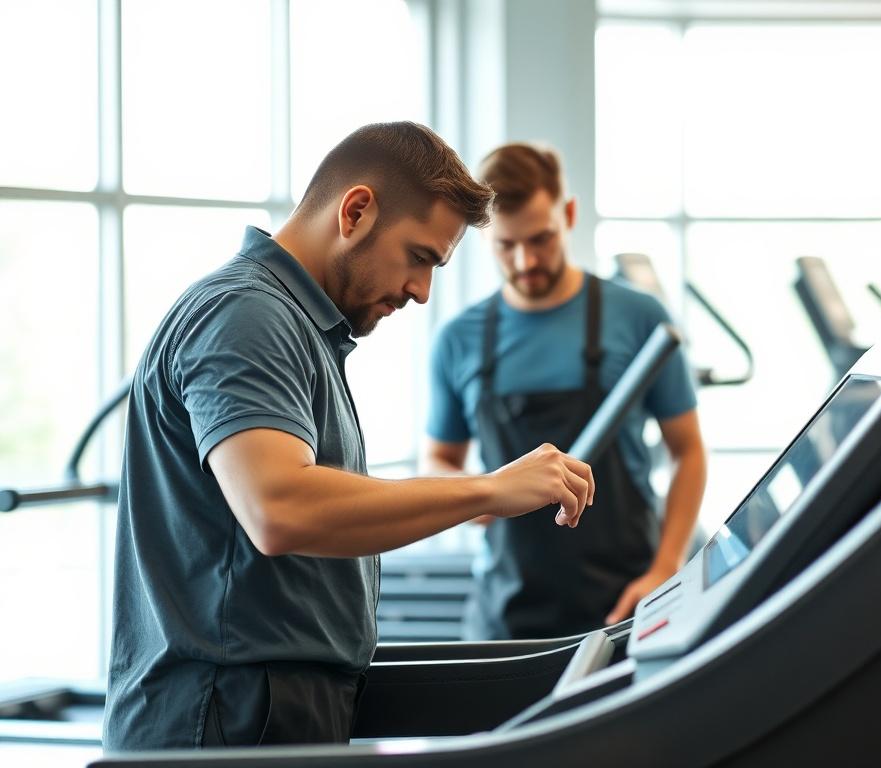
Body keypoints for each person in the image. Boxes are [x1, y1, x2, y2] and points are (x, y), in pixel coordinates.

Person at [103, 123, 595, 752]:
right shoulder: (248, 314)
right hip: (226, 712)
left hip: (274, 699)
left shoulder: (298, 327)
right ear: (356, 211)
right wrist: (487, 491)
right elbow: (279, 508)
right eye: (420, 257)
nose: (421, 291)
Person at [424, 143, 707, 640]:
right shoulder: (458, 339)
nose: (526, 260)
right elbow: (438, 462)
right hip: (506, 614)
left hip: (628, 602)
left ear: (569, 214)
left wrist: (667, 565)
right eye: (506, 246)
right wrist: (477, 498)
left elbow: (688, 451)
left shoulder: (641, 319)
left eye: (541, 239)